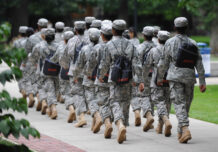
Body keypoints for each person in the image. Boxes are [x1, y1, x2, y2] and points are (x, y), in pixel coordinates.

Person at [157, 17, 206, 143]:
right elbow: (199, 63)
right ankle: (181, 132)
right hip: (189, 77)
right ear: (187, 27)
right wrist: (202, 81)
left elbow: (163, 63)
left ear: (175, 28)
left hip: (175, 77)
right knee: (186, 104)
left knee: (179, 104)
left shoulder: (170, 42)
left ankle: (185, 129)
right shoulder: (193, 43)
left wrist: (160, 77)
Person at [98, 19, 143, 144]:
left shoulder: (109, 45)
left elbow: (104, 63)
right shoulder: (131, 45)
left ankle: (119, 124)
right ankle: (124, 127)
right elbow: (137, 64)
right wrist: (139, 80)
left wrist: (101, 75)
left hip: (114, 77)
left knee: (114, 101)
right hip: (128, 77)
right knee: (125, 102)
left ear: (113, 31)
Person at [86, 24, 114, 137]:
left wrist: (88, 74)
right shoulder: (119, 45)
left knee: (102, 103)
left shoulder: (99, 48)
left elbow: (91, 63)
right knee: (114, 102)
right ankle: (117, 124)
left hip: (102, 78)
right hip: (116, 79)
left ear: (102, 35)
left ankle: (107, 123)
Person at [60, 21, 89, 127]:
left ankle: (81, 117)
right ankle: (97, 116)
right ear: (85, 28)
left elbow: (64, 58)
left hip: (74, 71)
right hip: (88, 71)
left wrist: (65, 67)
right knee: (91, 94)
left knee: (78, 94)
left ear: (75, 30)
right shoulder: (90, 40)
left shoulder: (71, 41)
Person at [73, 28, 101, 133]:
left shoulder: (84, 49)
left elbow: (79, 65)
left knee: (91, 100)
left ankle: (97, 117)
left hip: (89, 78)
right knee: (98, 99)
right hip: (101, 78)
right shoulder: (103, 47)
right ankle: (94, 125)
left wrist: (76, 75)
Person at [144, 30, 172, 137]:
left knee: (159, 102)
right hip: (169, 80)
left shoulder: (153, 51)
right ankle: (160, 127)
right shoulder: (172, 51)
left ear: (158, 39)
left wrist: (144, 79)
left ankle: (165, 120)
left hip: (157, 81)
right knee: (167, 102)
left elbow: (147, 66)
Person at [31, 28, 59, 119]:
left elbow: (33, 58)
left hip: (44, 70)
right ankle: (50, 106)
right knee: (54, 89)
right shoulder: (59, 46)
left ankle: (52, 107)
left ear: (44, 36)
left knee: (45, 88)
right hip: (56, 71)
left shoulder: (39, 46)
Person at [131, 26, 155, 131]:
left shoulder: (139, 48)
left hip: (141, 76)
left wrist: (134, 76)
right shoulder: (157, 47)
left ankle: (142, 113)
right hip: (154, 76)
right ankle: (150, 118)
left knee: (140, 95)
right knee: (151, 97)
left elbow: (135, 63)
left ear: (144, 35)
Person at [50, 31, 75, 121]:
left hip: (64, 71)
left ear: (64, 39)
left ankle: (71, 108)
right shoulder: (78, 46)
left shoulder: (61, 47)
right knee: (75, 92)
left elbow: (54, 59)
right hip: (75, 73)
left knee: (66, 93)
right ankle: (76, 112)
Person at [25, 18, 48, 108]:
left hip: (35, 63)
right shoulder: (52, 36)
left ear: (38, 26)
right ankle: (43, 100)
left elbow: (26, 51)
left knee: (33, 81)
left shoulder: (32, 38)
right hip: (49, 63)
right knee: (47, 83)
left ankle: (34, 96)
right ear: (46, 26)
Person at [13, 26, 28, 98]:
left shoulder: (16, 42)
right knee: (27, 76)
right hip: (27, 61)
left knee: (19, 77)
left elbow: (13, 52)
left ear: (19, 33)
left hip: (18, 61)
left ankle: (22, 90)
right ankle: (28, 90)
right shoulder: (29, 41)